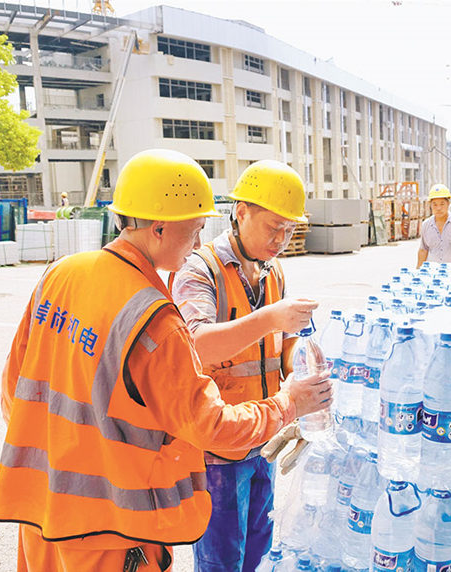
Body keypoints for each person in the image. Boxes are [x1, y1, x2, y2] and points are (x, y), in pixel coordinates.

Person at [0, 149, 331, 572]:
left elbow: (13, 391)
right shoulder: (154, 319)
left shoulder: (61, 274)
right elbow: (212, 426)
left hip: (42, 509)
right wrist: (290, 404)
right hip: (110, 527)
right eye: (195, 231)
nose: (199, 243)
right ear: (160, 228)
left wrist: (68, 455)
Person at [171, 160, 316, 572]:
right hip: (218, 449)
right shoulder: (199, 269)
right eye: (274, 227)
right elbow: (196, 346)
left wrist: (303, 365)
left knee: (257, 554)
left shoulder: (272, 272)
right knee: (221, 561)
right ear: (241, 211)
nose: (281, 239)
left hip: (264, 437)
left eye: (290, 230)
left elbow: (282, 347)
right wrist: (272, 318)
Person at [416, 183, 451, 268]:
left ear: (448, 204)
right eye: (435, 204)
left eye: (442, 204)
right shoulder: (426, 225)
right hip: (433, 275)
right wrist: (418, 271)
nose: (438, 208)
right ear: (430, 205)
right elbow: (423, 250)